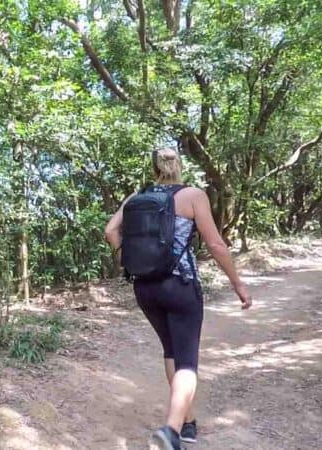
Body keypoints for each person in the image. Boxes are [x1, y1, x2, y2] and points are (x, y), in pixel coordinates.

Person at [103, 148, 253, 449]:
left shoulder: (136, 198)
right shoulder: (193, 195)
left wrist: (127, 260)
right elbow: (215, 243)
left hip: (145, 288)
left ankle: (187, 422)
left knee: (171, 350)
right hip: (180, 286)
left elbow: (110, 231)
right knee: (187, 360)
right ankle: (171, 430)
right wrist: (237, 283)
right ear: (179, 166)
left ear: (154, 168)